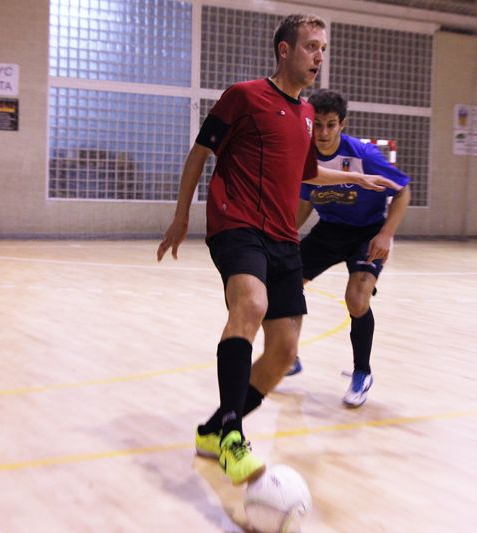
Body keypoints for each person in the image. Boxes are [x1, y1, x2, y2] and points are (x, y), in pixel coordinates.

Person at [156, 14, 401, 485]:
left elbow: (307, 172)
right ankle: (232, 437)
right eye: (311, 46)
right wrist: (182, 216)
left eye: (323, 48)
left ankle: (213, 429)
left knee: (284, 353)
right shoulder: (244, 96)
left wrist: (356, 177)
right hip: (237, 224)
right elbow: (199, 154)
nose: (319, 56)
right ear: (284, 50)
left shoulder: (306, 114)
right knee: (251, 304)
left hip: (283, 237)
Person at [286, 89, 411, 408]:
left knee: (356, 300)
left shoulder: (364, 155)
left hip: (367, 232)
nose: (324, 132)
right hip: (329, 230)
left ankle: (362, 373)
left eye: (331, 125)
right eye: (318, 125)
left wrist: (386, 234)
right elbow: (305, 202)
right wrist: (284, 234)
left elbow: (402, 191)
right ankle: (288, 356)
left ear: (342, 124)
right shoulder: (304, 155)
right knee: (286, 282)